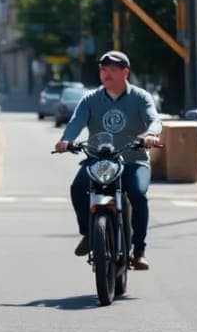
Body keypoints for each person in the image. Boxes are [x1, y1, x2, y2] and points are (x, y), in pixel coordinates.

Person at [54, 51, 162, 270]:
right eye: (104, 70)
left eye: (113, 70)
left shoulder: (140, 97)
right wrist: (66, 140)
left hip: (133, 161)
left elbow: (154, 119)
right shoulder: (90, 99)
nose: (107, 74)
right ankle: (88, 233)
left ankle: (139, 250)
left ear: (125, 72)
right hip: (100, 161)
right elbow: (76, 123)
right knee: (78, 187)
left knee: (138, 194)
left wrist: (151, 135)